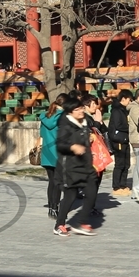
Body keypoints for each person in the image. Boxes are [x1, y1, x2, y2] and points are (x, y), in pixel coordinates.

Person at [53, 96, 97, 237]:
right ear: (70, 112)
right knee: (70, 195)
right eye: (77, 109)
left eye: (81, 108)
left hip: (85, 165)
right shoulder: (65, 124)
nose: (80, 111)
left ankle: (81, 222)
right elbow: (60, 144)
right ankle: (59, 224)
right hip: (70, 167)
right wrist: (72, 146)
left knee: (92, 192)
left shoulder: (84, 122)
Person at [37, 94, 64, 214]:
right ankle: (55, 207)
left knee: (51, 181)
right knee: (58, 182)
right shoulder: (63, 117)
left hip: (47, 153)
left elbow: (42, 134)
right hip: (58, 152)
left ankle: (50, 208)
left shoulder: (45, 116)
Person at [107, 87, 135, 196]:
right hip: (118, 140)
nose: (129, 102)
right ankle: (116, 186)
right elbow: (118, 125)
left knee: (126, 164)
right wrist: (129, 127)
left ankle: (123, 185)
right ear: (123, 98)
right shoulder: (117, 110)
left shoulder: (123, 110)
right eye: (129, 99)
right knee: (119, 164)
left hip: (125, 139)